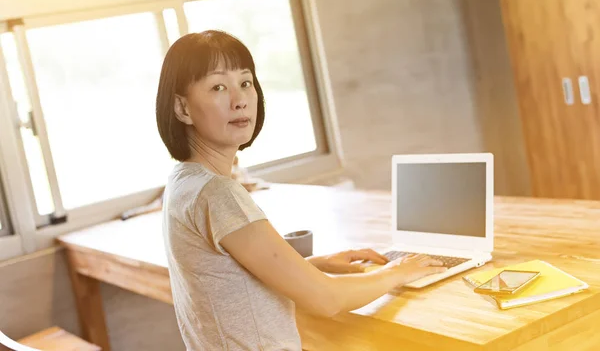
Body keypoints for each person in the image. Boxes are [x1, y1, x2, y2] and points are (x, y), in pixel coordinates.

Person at [155, 30, 446, 351]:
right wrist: (396, 272)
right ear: (182, 109)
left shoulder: (184, 182)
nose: (239, 99)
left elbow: (227, 282)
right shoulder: (216, 193)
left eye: (246, 83)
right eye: (218, 87)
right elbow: (327, 300)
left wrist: (315, 264)